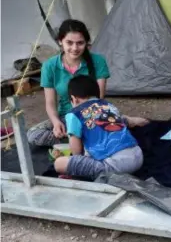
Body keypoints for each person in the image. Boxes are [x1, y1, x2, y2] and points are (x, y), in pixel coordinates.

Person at [27, 19, 148, 147]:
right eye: (69, 43)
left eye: (80, 43)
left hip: (93, 115)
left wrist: (79, 124)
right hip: (66, 117)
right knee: (33, 135)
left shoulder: (98, 61)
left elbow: (99, 99)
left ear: (86, 43)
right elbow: (50, 103)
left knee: (89, 128)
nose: (74, 48)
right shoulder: (49, 66)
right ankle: (112, 126)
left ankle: (86, 135)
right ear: (60, 41)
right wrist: (56, 123)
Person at [54, 75, 144, 180]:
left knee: (59, 163)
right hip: (138, 155)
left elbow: (77, 152)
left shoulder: (74, 114)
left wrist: (74, 163)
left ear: (74, 99)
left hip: (114, 165)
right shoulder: (108, 105)